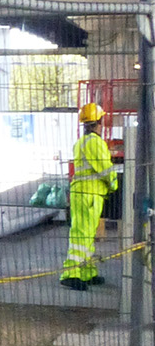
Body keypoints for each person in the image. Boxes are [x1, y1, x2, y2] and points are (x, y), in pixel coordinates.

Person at [61, 101, 118, 288]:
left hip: (83, 193)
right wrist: (114, 184)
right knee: (82, 235)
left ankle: (87, 272)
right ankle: (71, 274)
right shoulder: (95, 143)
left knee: (85, 235)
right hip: (89, 195)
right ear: (98, 122)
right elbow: (105, 169)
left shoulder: (81, 142)